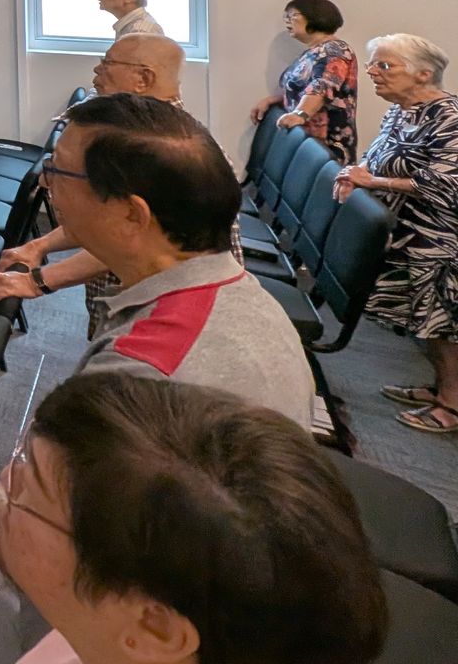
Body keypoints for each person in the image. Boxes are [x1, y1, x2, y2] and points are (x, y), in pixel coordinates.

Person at [0, 373, 388, 664]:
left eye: (23, 489)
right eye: (22, 460)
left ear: (155, 626)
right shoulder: (104, 637)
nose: (0, 484)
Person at [44, 95, 311, 425]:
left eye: (55, 169)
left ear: (131, 215)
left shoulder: (138, 374)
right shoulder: (244, 297)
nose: (45, 182)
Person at [0, 36, 188, 332]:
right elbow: (107, 219)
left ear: (143, 78)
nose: (97, 71)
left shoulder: (167, 148)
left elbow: (130, 239)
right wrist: (40, 245)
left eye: (108, 64)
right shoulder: (137, 133)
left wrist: (38, 280)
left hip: (153, 322)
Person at [338, 33, 458, 434]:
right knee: (422, 322)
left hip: (440, 238)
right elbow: (378, 161)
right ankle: (441, 388)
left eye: (385, 66)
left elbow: (446, 183)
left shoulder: (449, 117)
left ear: (424, 75)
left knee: (441, 324)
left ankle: (452, 405)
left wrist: (373, 183)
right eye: (374, 64)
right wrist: (353, 175)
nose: (372, 72)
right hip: (408, 232)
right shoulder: (402, 111)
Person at [251, 0, 358, 164]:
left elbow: (322, 86)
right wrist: (272, 100)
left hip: (326, 143)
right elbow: (302, 89)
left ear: (316, 17)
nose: (287, 20)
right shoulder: (313, 52)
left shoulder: (335, 50)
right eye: (286, 16)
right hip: (305, 138)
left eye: (293, 15)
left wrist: (300, 114)